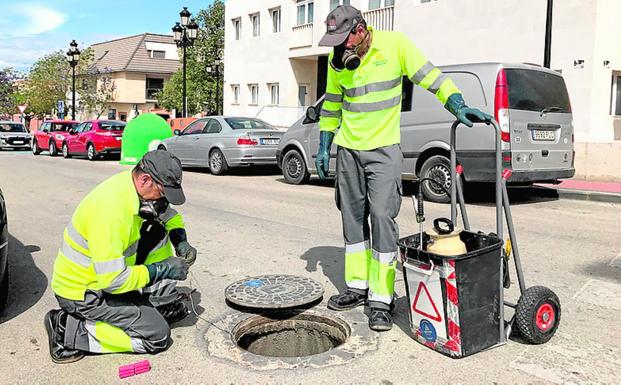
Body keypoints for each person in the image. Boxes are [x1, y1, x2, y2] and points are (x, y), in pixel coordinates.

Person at [316, 5, 492, 331]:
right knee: (352, 222)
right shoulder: (336, 61)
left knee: (382, 218)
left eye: (345, 41)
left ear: (360, 29)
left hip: (383, 151)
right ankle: (357, 286)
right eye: (336, 44)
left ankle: (382, 298)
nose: (342, 49)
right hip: (349, 151)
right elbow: (332, 104)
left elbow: (433, 78)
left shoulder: (396, 45)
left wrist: (458, 104)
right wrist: (325, 145)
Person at [44, 150, 198, 363]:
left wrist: (180, 240)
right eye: (162, 193)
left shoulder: (132, 188)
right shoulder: (111, 211)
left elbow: (169, 215)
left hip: (104, 279)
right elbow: (113, 281)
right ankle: (68, 329)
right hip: (85, 293)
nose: (163, 200)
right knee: (157, 336)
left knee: (157, 231)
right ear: (145, 180)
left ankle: (157, 301)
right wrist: (163, 269)